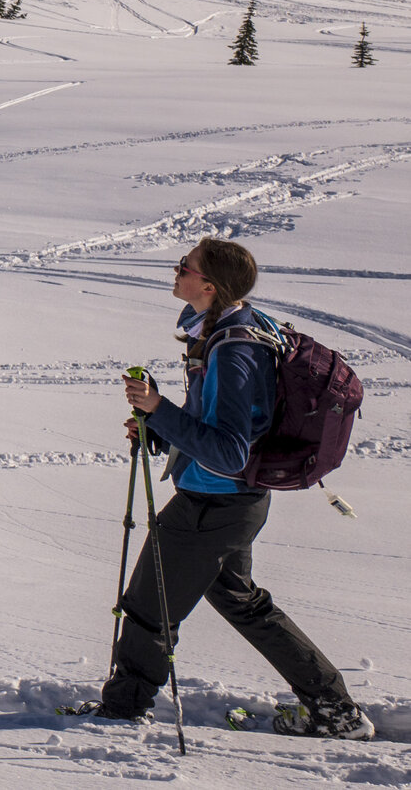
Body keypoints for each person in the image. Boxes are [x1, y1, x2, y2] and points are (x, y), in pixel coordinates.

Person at [98, 236, 375, 739]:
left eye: (185, 266)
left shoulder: (235, 348)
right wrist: (160, 427)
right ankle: (335, 710)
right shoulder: (230, 328)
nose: (176, 271)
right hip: (233, 501)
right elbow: (221, 428)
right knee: (242, 603)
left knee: (147, 605)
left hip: (214, 503)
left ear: (210, 284)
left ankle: (120, 712)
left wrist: (160, 410)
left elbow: (229, 452)